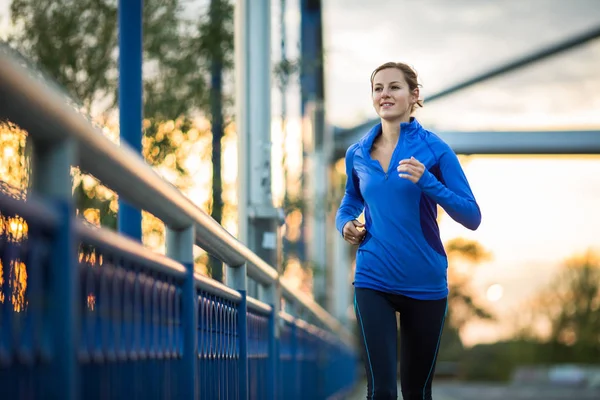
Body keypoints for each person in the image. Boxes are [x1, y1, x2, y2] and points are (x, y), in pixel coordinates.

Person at [335, 62, 481, 400]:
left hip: (425, 283)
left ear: (414, 95)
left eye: (394, 87)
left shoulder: (435, 150)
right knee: (382, 391)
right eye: (378, 88)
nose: (384, 94)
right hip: (373, 279)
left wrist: (428, 182)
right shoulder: (356, 153)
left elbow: (472, 216)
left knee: (416, 391)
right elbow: (349, 201)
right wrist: (345, 225)